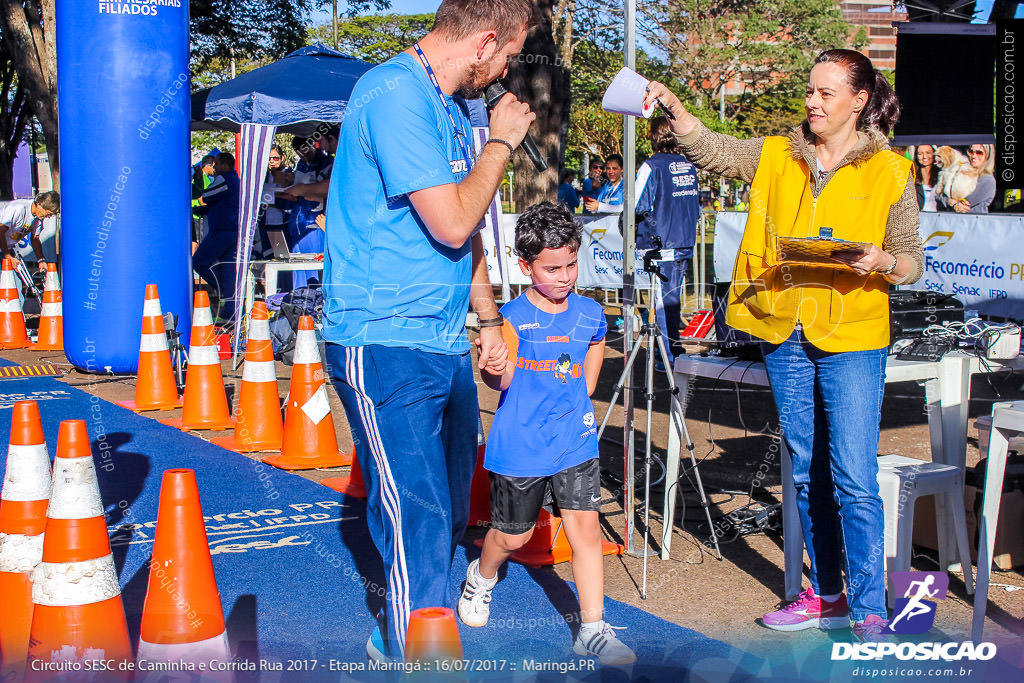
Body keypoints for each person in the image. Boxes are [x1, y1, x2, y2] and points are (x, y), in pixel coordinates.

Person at [646, 48, 923, 643]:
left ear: (860, 101)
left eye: (826, 93)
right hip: (783, 330)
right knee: (806, 473)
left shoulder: (891, 172)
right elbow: (715, 149)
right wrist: (676, 108)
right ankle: (824, 595)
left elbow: (913, 264)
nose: (812, 102)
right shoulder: (777, 153)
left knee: (853, 476)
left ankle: (871, 608)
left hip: (854, 335)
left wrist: (881, 260)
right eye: (810, 90)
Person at [320, 0, 536, 662]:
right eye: (509, 55)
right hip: (381, 338)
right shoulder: (393, 93)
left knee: (441, 509)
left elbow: (461, 230)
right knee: (420, 512)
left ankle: (405, 636)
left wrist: (490, 318)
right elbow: (451, 220)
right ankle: (423, 659)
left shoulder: (445, 107)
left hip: (438, 341)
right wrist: (500, 141)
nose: (507, 71)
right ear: (486, 42)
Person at [457, 201, 635, 666]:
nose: (565, 276)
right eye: (552, 267)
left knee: (586, 534)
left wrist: (588, 388)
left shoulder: (590, 313)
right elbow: (499, 380)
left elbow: (595, 343)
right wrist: (493, 366)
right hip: (520, 447)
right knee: (512, 537)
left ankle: (592, 629)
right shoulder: (509, 318)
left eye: (572, 264)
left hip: (575, 442)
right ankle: (482, 575)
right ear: (524, 265)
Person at [634, 116, 700, 369]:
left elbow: (637, 203)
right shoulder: (688, 165)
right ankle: (674, 348)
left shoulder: (652, 166)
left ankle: (668, 355)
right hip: (684, 240)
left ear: (654, 136)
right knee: (673, 299)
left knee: (664, 301)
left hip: (662, 243)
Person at [282, 133, 334, 288]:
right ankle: (298, 303)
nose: (303, 155)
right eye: (299, 153)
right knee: (298, 269)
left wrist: (305, 191)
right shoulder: (301, 165)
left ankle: (314, 303)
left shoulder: (327, 163)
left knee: (313, 268)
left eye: (305, 151)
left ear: (314, 145)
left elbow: (326, 190)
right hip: (297, 223)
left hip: (315, 223)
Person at [193, 152, 240, 321]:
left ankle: (219, 288)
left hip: (222, 231)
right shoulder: (234, 180)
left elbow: (206, 197)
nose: (214, 169)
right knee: (227, 270)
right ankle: (229, 312)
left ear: (225, 165)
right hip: (231, 230)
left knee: (199, 261)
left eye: (216, 165)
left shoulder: (225, 179)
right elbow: (217, 203)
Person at [0, 191, 59, 272]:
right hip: (4, 251)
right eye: (47, 214)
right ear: (39, 205)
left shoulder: (38, 218)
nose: (48, 217)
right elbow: (0, 231)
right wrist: (8, 257)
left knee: (15, 280)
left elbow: (35, 239)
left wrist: (41, 260)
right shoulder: (18, 208)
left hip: (7, 249)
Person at [937, 144, 995, 213]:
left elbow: (964, 204)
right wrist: (951, 202)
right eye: (971, 151)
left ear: (988, 156)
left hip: (972, 221)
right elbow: (938, 196)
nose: (974, 156)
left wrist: (951, 202)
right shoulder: (959, 170)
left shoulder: (987, 180)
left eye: (979, 153)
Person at [191, 155, 216, 242]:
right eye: (214, 166)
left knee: (197, 242)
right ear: (207, 166)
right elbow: (200, 197)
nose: (215, 169)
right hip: (197, 216)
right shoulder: (203, 178)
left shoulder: (207, 179)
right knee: (197, 242)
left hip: (199, 214)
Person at [912, 144, 939, 211]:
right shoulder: (912, 177)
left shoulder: (941, 175)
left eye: (928, 153)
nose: (924, 157)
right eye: (920, 154)